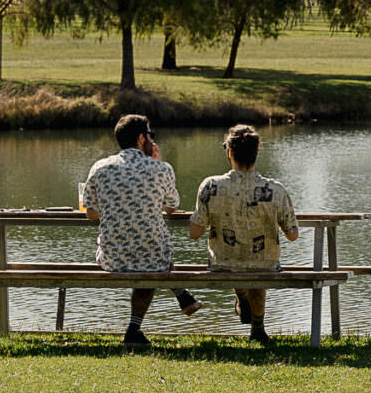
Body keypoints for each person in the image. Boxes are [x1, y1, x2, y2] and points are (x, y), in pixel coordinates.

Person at [80, 114, 195, 351]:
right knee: (152, 254)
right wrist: (158, 162)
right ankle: (179, 292)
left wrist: (116, 209)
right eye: (150, 135)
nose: (153, 140)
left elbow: (90, 214)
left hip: (111, 257)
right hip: (155, 257)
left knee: (146, 253)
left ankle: (137, 327)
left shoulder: (100, 167)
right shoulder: (161, 168)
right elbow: (172, 206)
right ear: (142, 138)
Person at [189, 123, 299, 344]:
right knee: (258, 263)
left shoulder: (211, 186)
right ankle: (258, 329)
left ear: (229, 152)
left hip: (223, 264)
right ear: (257, 151)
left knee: (237, 257)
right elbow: (292, 235)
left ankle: (241, 296)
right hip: (265, 265)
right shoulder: (275, 190)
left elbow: (194, 233)